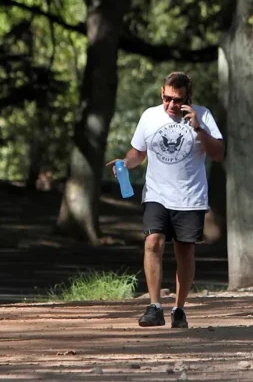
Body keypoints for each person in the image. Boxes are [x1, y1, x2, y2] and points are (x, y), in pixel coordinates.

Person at [107, 71, 224, 328]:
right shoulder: (149, 116)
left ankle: (179, 309)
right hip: (157, 193)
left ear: (187, 98)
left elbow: (218, 154)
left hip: (190, 196)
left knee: (185, 250)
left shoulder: (203, 116)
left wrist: (199, 129)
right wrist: (126, 163)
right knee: (153, 242)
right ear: (162, 92)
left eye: (177, 100)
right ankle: (154, 307)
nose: (171, 105)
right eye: (168, 98)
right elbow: (139, 152)